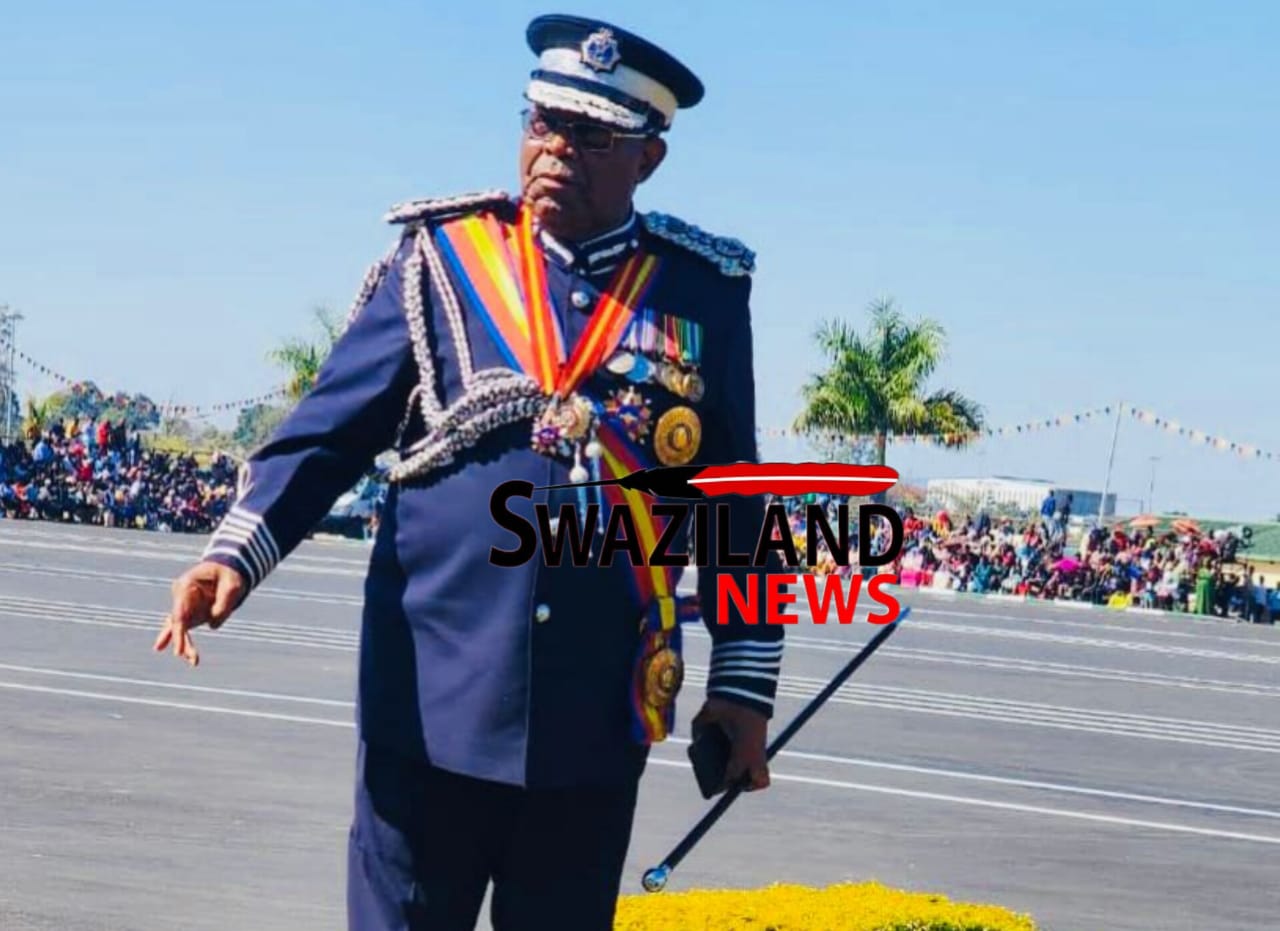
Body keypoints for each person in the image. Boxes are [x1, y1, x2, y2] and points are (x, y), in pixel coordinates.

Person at [153, 14, 784, 931]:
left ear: (648, 160)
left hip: (593, 723)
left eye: (590, 136)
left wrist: (743, 685)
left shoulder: (702, 295)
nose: (554, 151)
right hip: (429, 710)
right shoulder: (445, 261)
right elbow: (327, 432)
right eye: (541, 124)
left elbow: (733, 503)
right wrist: (236, 554)